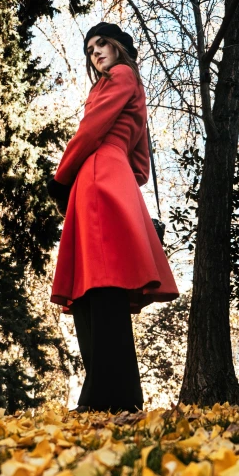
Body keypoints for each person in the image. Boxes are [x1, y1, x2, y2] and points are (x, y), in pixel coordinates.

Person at [46, 22, 179, 413]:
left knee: (98, 288)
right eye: (89, 49)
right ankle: (114, 396)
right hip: (109, 180)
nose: (95, 53)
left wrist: (61, 178)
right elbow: (141, 166)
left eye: (101, 44)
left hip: (98, 182)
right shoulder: (129, 85)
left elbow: (89, 131)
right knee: (93, 290)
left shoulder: (121, 75)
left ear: (120, 46)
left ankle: (106, 397)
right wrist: (116, 160)